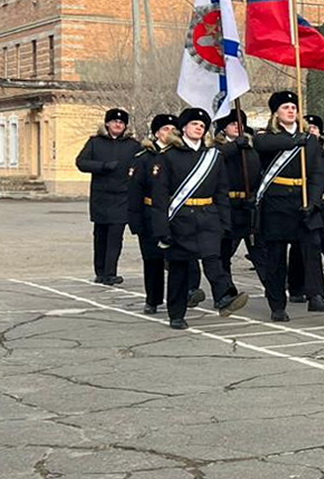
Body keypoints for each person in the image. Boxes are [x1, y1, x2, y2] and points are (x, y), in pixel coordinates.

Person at [149, 108, 249, 328]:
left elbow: (221, 191)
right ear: (183, 128)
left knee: (213, 259)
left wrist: (225, 222)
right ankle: (176, 314)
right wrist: (161, 230)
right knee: (180, 268)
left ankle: (225, 297)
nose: (198, 128)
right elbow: (159, 197)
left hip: (208, 216)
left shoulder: (212, 156)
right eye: (194, 124)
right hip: (180, 218)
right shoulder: (167, 156)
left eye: (202, 126)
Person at [252, 90, 324, 321]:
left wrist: (313, 201)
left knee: (312, 247)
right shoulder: (269, 137)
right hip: (277, 202)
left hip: (303, 199)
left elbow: (317, 174)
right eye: (285, 107)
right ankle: (277, 304)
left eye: (294, 107)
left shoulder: (310, 140)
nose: (291, 110)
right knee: (276, 256)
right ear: (276, 113)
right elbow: (261, 144)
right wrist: (294, 141)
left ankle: (315, 295)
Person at [76, 108, 142, 284]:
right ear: (107, 124)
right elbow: (81, 162)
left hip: (122, 196)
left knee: (115, 235)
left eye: (121, 122)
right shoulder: (95, 142)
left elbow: (140, 165)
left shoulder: (133, 145)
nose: (118, 124)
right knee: (100, 235)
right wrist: (103, 166)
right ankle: (100, 272)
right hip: (101, 196)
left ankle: (110, 272)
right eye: (114, 122)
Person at [287, 114, 324, 305]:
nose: (312, 130)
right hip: (302, 204)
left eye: (315, 128)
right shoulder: (299, 151)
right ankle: (297, 288)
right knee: (299, 248)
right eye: (308, 127)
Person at [128, 114, 178, 313]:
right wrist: (135, 220)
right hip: (150, 213)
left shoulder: (179, 155)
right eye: (165, 129)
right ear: (156, 133)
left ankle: (184, 295)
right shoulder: (144, 158)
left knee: (180, 257)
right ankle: (153, 298)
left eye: (174, 129)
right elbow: (134, 192)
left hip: (175, 213)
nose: (170, 132)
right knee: (153, 258)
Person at [213, 111, 260, 290]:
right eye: (232, 123)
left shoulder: (250, 148)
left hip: (247, 206)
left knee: (259, 251)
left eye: (239, 123)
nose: (237, 127)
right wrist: (234, 147)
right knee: (224, 252)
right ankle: (226, 290)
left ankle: (273, 291)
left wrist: (254, 195)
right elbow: (216, 158)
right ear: (224, 128)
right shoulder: (216, 147)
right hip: (227, 206)